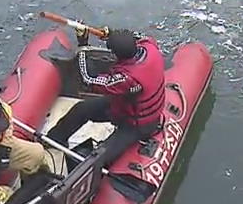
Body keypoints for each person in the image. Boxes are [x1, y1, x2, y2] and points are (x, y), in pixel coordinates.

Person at [45, 28, 166, 169]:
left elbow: (88, 79)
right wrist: (111, 34)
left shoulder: (128, 79)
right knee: (81, 109)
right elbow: (138, 35)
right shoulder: (150, 47)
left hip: (136, 125)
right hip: (124, 107)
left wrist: (83, 45)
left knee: (99, 157)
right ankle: (54, 139)